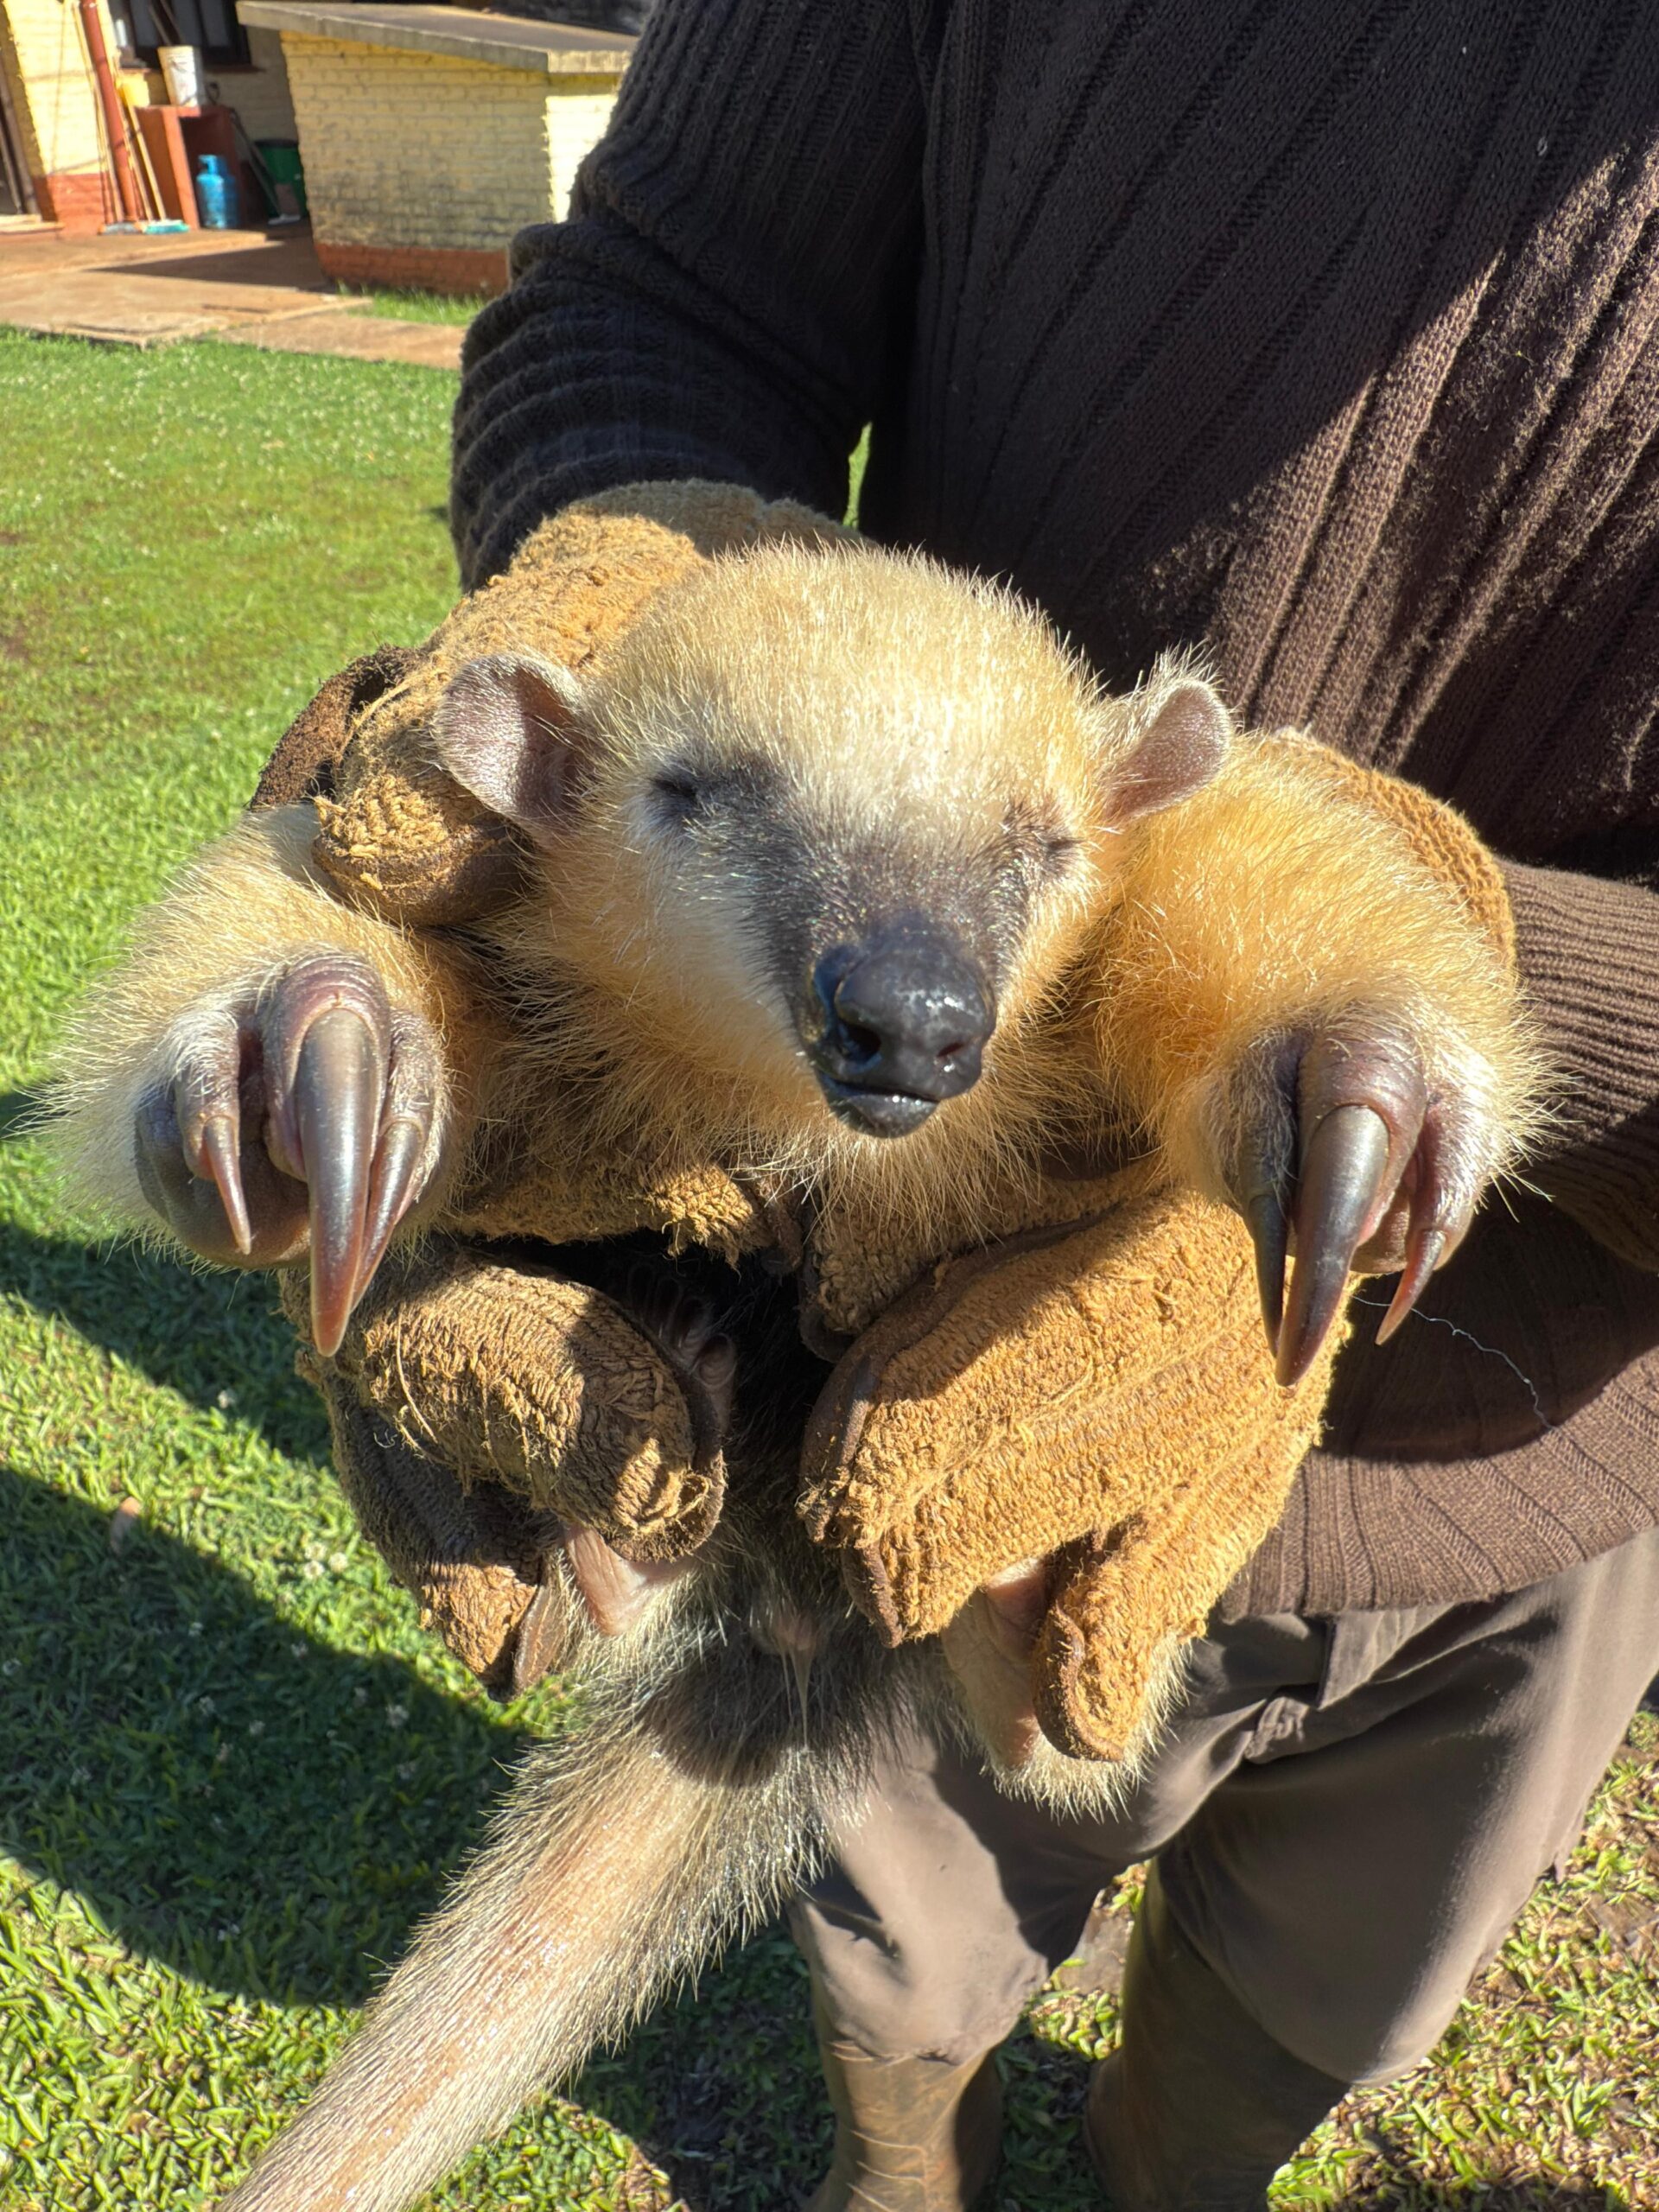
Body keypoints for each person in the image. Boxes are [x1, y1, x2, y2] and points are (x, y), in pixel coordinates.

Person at [382, 6, 1659, 2204]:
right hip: (889, 1355)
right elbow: (669, 299)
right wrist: (638, 712)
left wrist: (1418, 976)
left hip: (1526, 1440)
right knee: (902, 1974)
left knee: (1311, 2009)